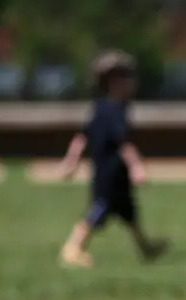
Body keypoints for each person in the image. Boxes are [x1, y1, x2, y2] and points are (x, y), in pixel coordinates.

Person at [59, 50, 166, 268]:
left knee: (129, 213)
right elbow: (124, 143)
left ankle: (146, 248)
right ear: (114, 82)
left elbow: (81, 138)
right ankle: (72, 248)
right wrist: (137, 167)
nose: (132, 83)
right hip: (109, 173)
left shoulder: (100, 107)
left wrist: (71, 162)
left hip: (113, 173)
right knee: (98, 211)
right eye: (128, 78)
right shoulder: (116, 110)